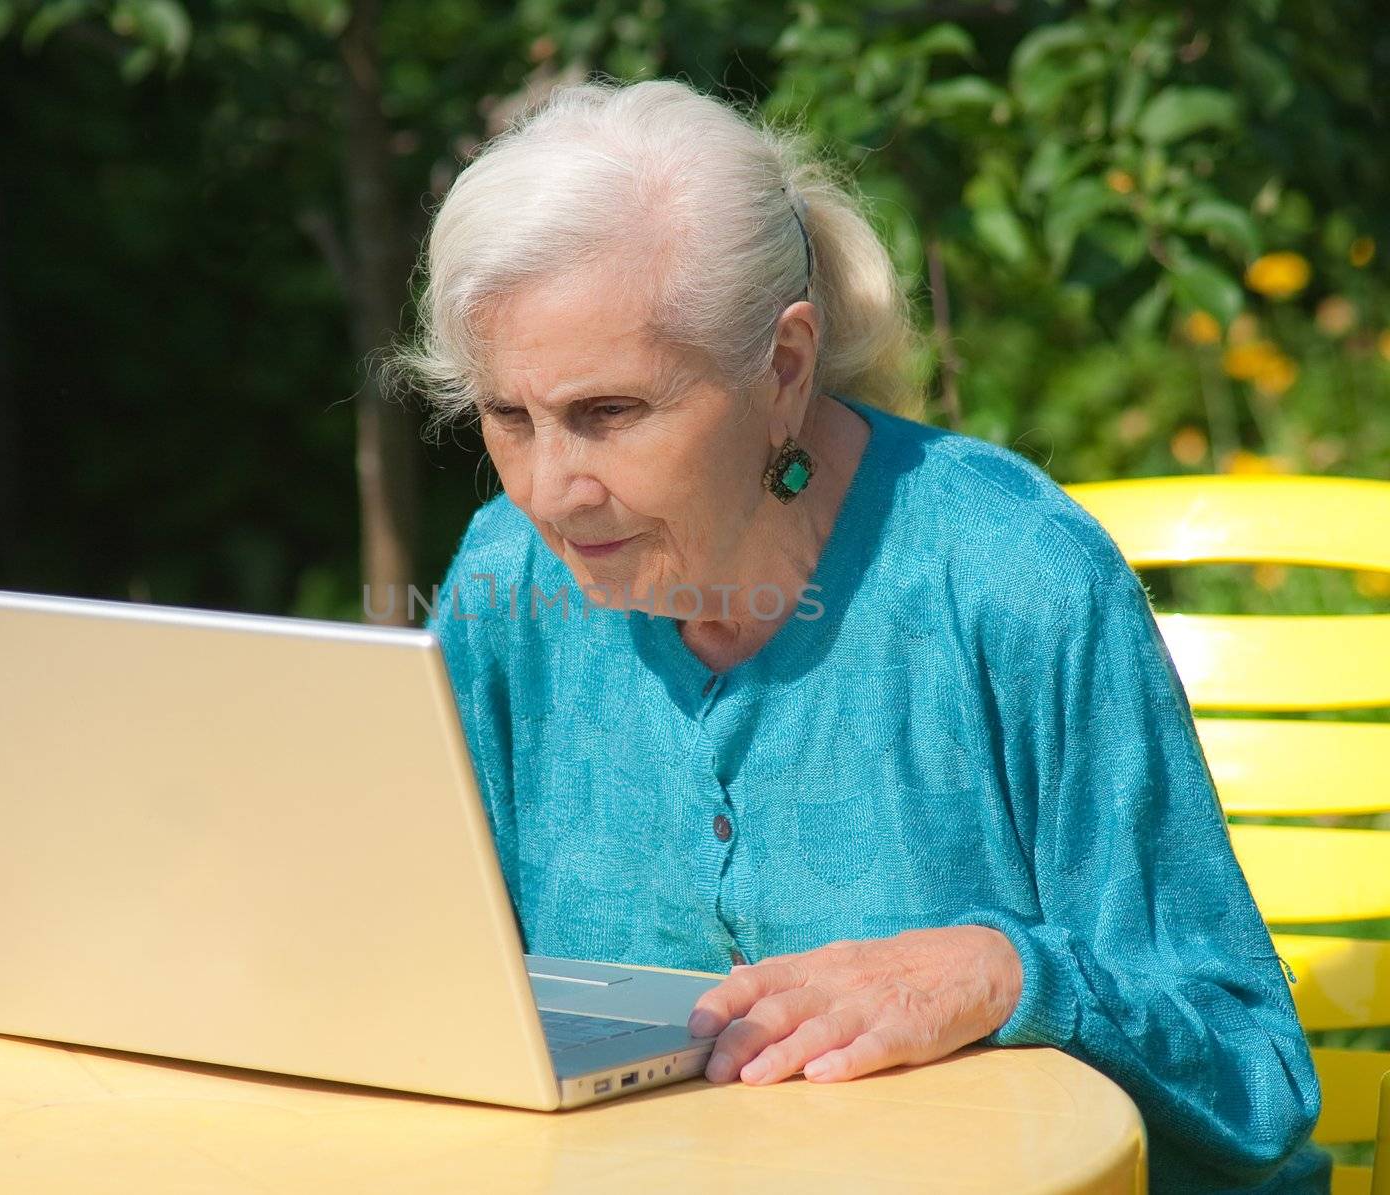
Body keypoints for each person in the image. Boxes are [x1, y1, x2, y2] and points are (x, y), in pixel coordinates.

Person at [391, 76, 1326, 1191]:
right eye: (508, 416)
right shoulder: (506, 581)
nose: (551, 490)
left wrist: (1006, 973)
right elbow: (434, 994)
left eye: (609, 413)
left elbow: (1254, 1075)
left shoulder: (1010, 577)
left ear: (783, 366)